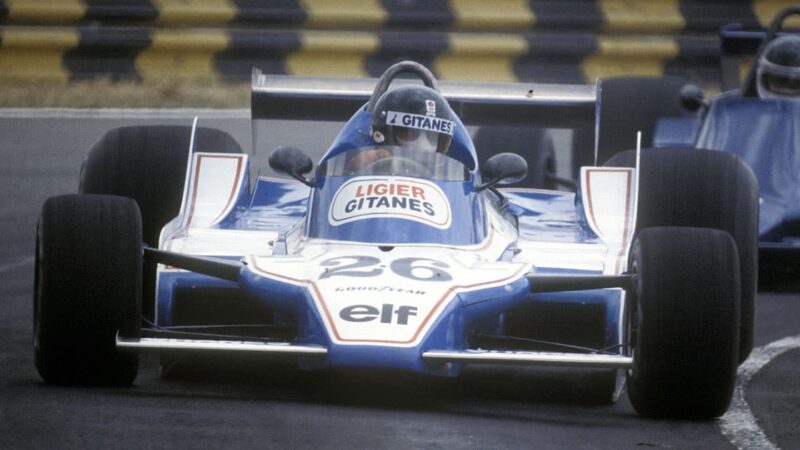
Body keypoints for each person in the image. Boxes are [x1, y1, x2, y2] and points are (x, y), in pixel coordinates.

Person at [346, 84, 457, 173]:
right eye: (411, 134)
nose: (423, 145)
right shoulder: (362, 159)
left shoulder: (452, 175)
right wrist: (353, 169)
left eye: (432, 137)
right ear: (383, 134)